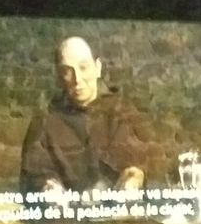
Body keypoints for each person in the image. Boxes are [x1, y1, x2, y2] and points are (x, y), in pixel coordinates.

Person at [20, 36, 149, 195]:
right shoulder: (46, 120)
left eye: (83, 67)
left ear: (98, 68)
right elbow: (34, 175)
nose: (77, 80)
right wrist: (49, 188)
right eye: (67, 71)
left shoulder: (121, 112)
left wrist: (132, 179)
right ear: (59, 76)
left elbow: (137, 166)